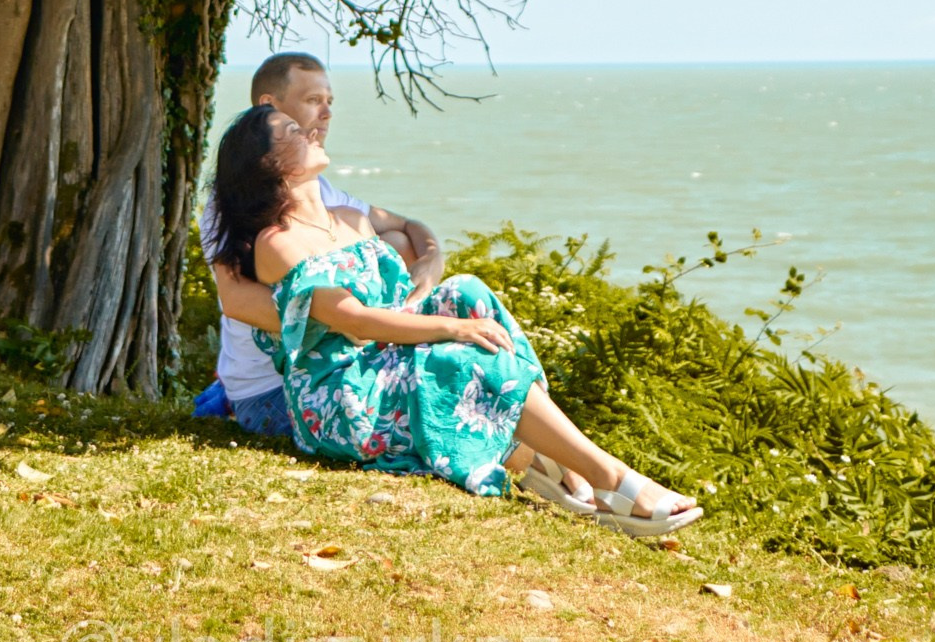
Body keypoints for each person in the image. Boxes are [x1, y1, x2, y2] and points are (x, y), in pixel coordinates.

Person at [206, 98, 704, 539]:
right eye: (292, 130)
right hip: (344, 392)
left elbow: (405, 281)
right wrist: (453, 328)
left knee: (468, 291)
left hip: (384, 360)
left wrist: (441, 287)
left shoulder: (351, 220)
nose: (311, 127)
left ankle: (554, 462)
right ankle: (609, 478)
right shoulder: (279, 242)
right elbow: (354, 321)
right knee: (457, 351)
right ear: (269, 164)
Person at [196, 53, 444, 442]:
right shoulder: (234, 201)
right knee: (446, 378)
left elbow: (407, 226)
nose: (326, 113)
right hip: (277, 383)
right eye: (313, 101)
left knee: (394, 245)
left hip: (346, 356)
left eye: (330, 101)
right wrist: (360, 323)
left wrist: (430, 261)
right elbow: (237, 301)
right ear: (268, 107)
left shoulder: (322, 193)